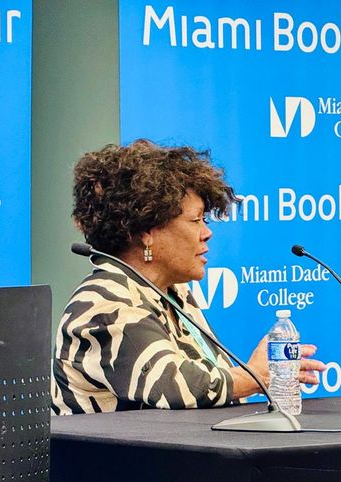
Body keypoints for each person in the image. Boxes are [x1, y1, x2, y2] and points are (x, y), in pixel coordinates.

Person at [52, 140, 324, 414]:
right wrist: (257, 376)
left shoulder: (173, 293)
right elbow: (177, 387)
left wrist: (255, 377)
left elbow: (211, 382)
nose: (207, 233)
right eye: (196, 221)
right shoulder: (104, 302)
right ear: (148, 230)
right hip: (111, 456)